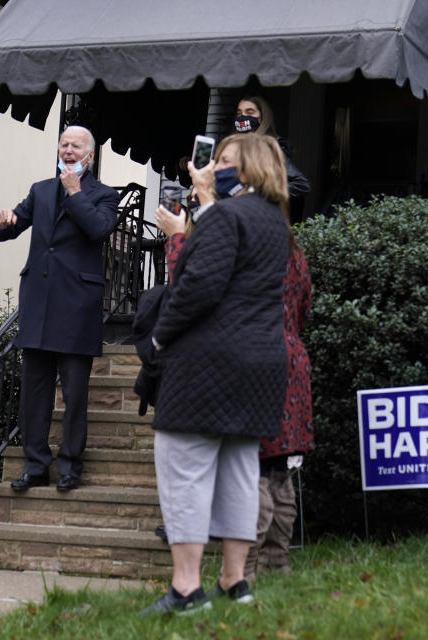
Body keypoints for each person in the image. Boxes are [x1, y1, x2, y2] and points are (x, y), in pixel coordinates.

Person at [140, 133, 290, 614]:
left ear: (247, 170)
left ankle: (185, 589)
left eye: (226, 161)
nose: (214, 167)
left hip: (208, 361)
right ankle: (234, 582)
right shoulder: (276, 223)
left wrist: (161, 335)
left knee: (184, 467)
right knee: (240, 473)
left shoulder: (226, 215)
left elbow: (199, 283)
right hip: (262, 362)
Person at [157, 169, 314, 585]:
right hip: (288, 360)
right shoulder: (291, 250)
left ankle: (238, 570)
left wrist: (178, 237)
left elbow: (194, 286)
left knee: (249, 468)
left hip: (242, 356)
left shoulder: (234, 235)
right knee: (279, 468)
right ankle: (274, 563)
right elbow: (304, 309)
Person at [0, 125, 121, 493]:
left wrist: (75, 194)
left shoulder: (104, 195)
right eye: (64, 144)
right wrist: (2, 223)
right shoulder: (40, 190)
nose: (68, 149)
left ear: (90, 156)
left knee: (75, 396)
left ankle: (70, 467)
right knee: (35, 395)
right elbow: (10, 227)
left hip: (77, 308)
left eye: (76, 146)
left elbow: (98, 230)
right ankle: (35, 466)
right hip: (39, 306)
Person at [233, 95, 310, 198]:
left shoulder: (269, 147)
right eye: (239, 113)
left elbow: (301, 185)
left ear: (263, 117)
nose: (243, 116)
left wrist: (261, 193)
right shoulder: (234, 147)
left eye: (250, 112)